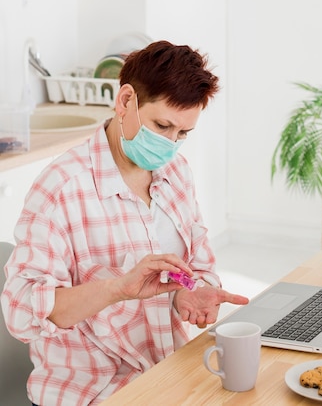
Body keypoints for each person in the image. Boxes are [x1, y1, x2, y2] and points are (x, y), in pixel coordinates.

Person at [1, 41, 249, 406]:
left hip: (165, 376)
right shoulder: (61, 189)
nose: (170, 145)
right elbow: (21, 312)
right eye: (162, 125)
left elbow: (194, 266)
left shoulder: (176, 173)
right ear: (125, 101)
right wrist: (117, 288)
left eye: (182, 134)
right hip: (90, 393)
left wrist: (188, 291)